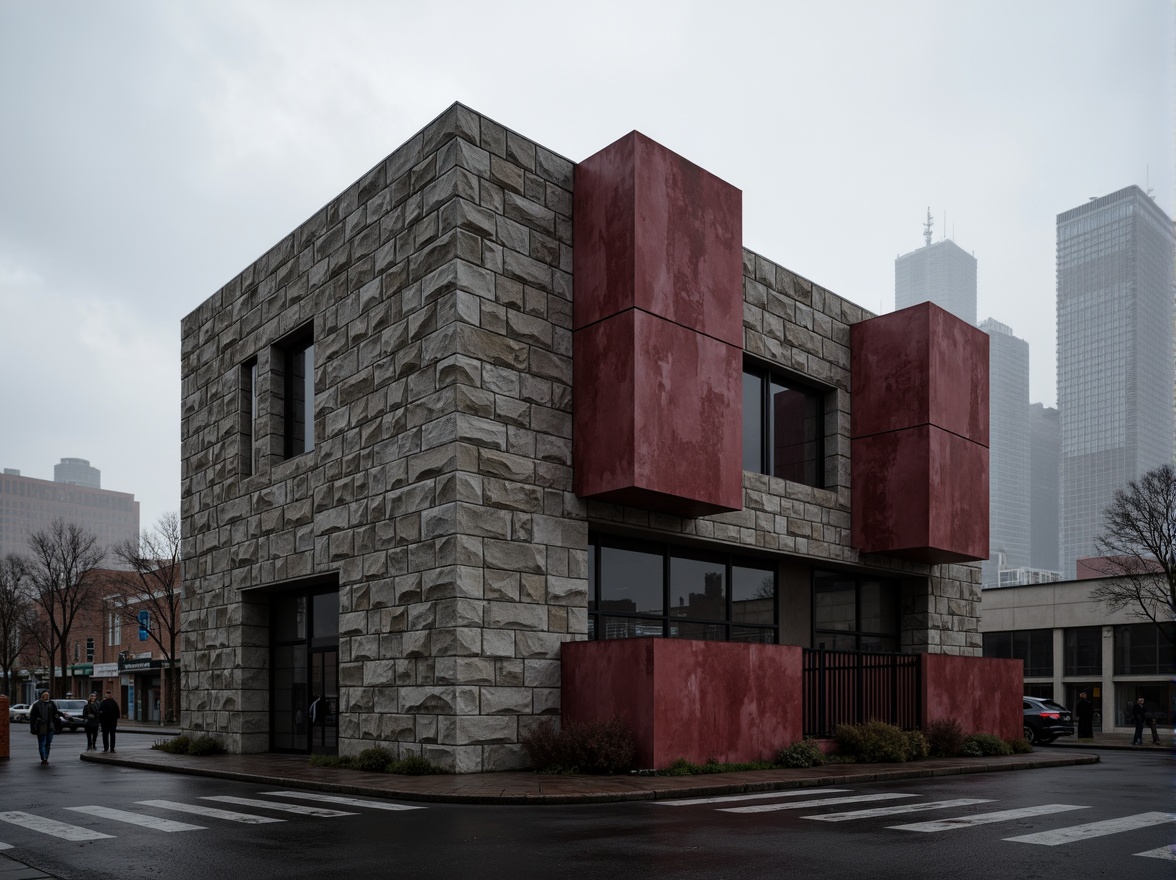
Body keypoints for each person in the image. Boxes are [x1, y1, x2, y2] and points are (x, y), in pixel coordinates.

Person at [28, 691, 64, 765]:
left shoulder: (51, 704)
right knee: (42, 743)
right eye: (45, 695)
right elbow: (33, 717)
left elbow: (55, 713)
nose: (46, 696)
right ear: (41, 696)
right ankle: (43, 758)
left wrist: (63, 715)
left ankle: (46, 757)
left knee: (48, 743)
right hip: (41, 726)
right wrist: (33, 728)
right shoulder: (37, 705)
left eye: (47, 695)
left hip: (50, 726)